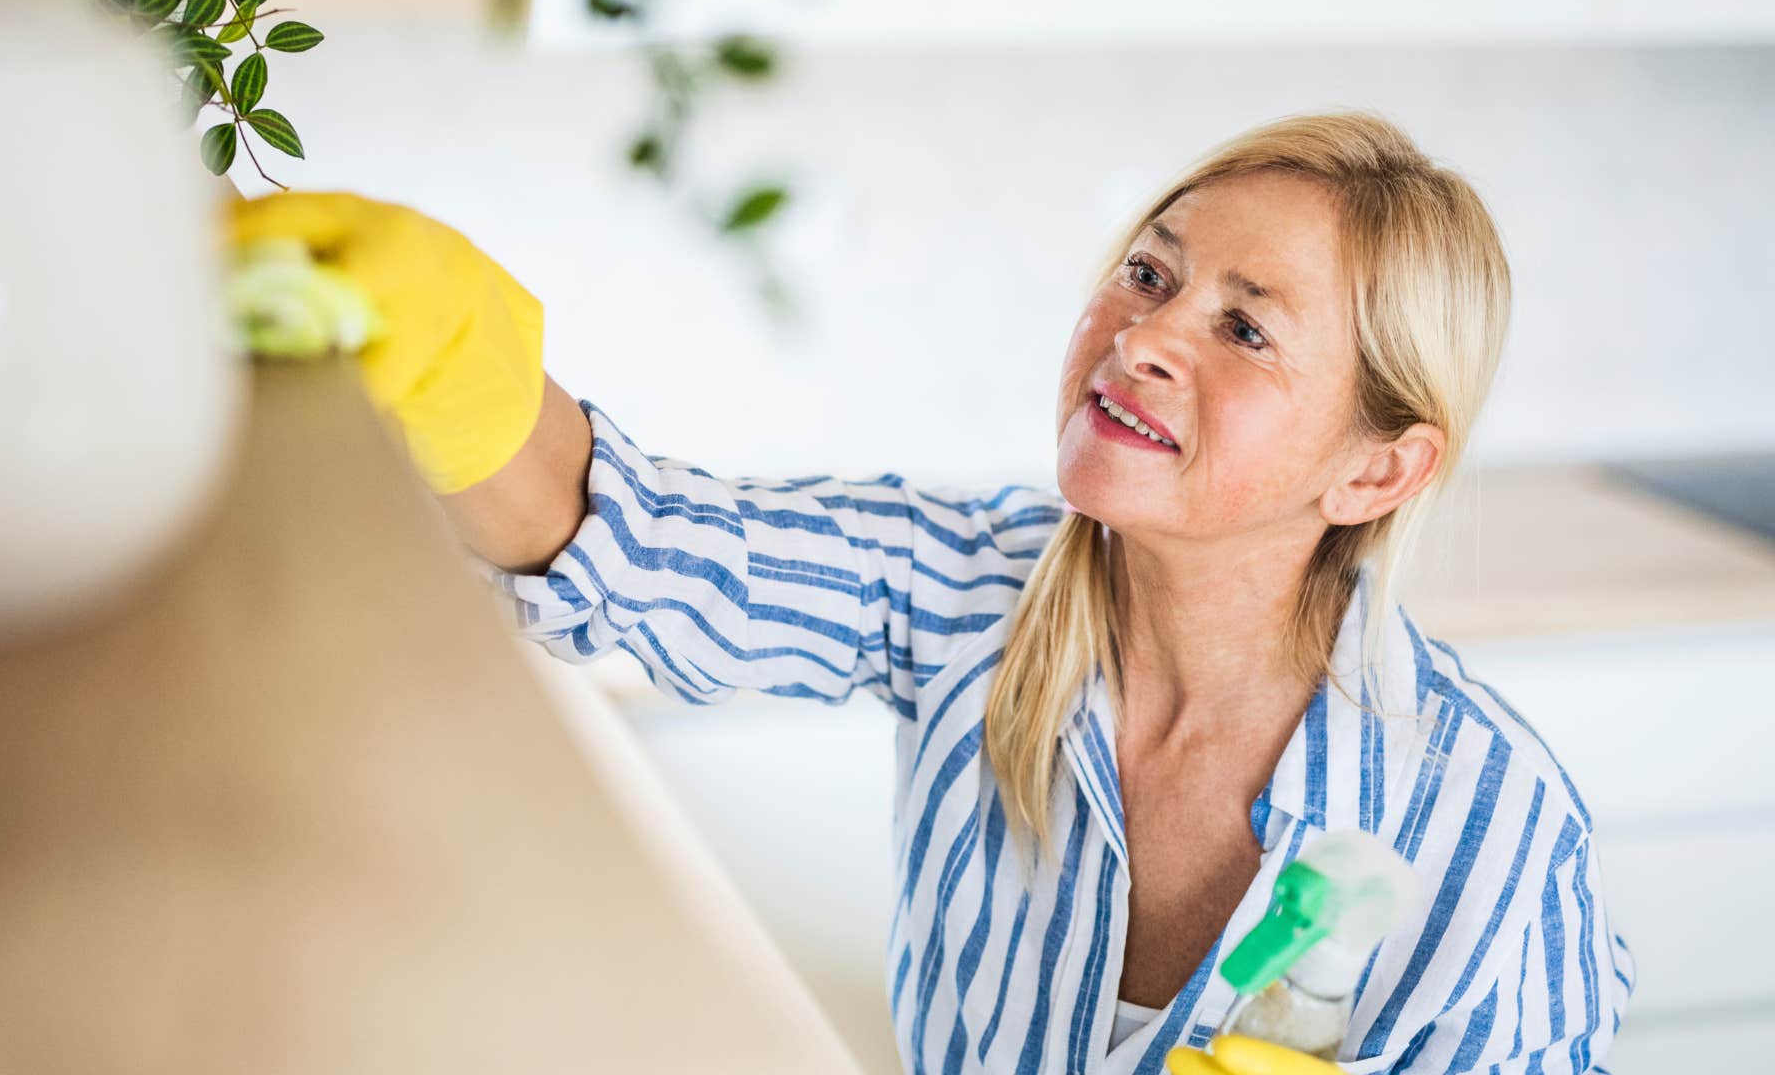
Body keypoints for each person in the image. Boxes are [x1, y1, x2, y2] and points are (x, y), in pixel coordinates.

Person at [226, 109, 1634, 1074]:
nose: (1143, 336)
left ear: (1377, 472)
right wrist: (454, 351)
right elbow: (635, 549)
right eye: (1148, 272)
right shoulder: (963, 591)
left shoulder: (1490, 828)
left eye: (1244, 327)